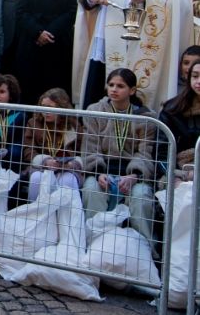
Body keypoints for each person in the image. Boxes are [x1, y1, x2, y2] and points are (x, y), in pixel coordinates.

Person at [80, 68, 158, 246]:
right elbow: (90, 146)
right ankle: (93, 243)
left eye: (120, 86)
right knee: (91, 189)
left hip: (132, 174)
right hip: (103, 169)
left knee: (141, 196)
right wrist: (98, 172)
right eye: (111, 85)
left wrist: (134, 176)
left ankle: (145, 249)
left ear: (132, 90)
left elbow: (145, 152)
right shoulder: (95, 111)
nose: (114, 89)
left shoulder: (145, 117)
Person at [15, 0, 82, 104]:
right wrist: (38, 32)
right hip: (33, 41)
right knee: (31, 89)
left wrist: (50, 32)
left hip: (58, 41)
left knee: (56, 89)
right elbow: (21, 11)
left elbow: (72, 11)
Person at [21, 87, 83, 203]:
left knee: (68, 181)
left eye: (50, 108)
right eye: (43, 107)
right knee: (37, 178)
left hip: (67, 169)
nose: (45, 111)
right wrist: (45, 161)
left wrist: (71, 164)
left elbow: (81, 152)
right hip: (41, 167)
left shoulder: (74, 125)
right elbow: (28, 149)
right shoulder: (33, 123)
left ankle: (65, 220)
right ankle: (34, 216)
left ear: (62, 108)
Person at [159, 58, 200, 182]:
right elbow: (161, 153)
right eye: (195, 76)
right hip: (179, 172)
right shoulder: (172, 110)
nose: (199, 82)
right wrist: (176, 176)